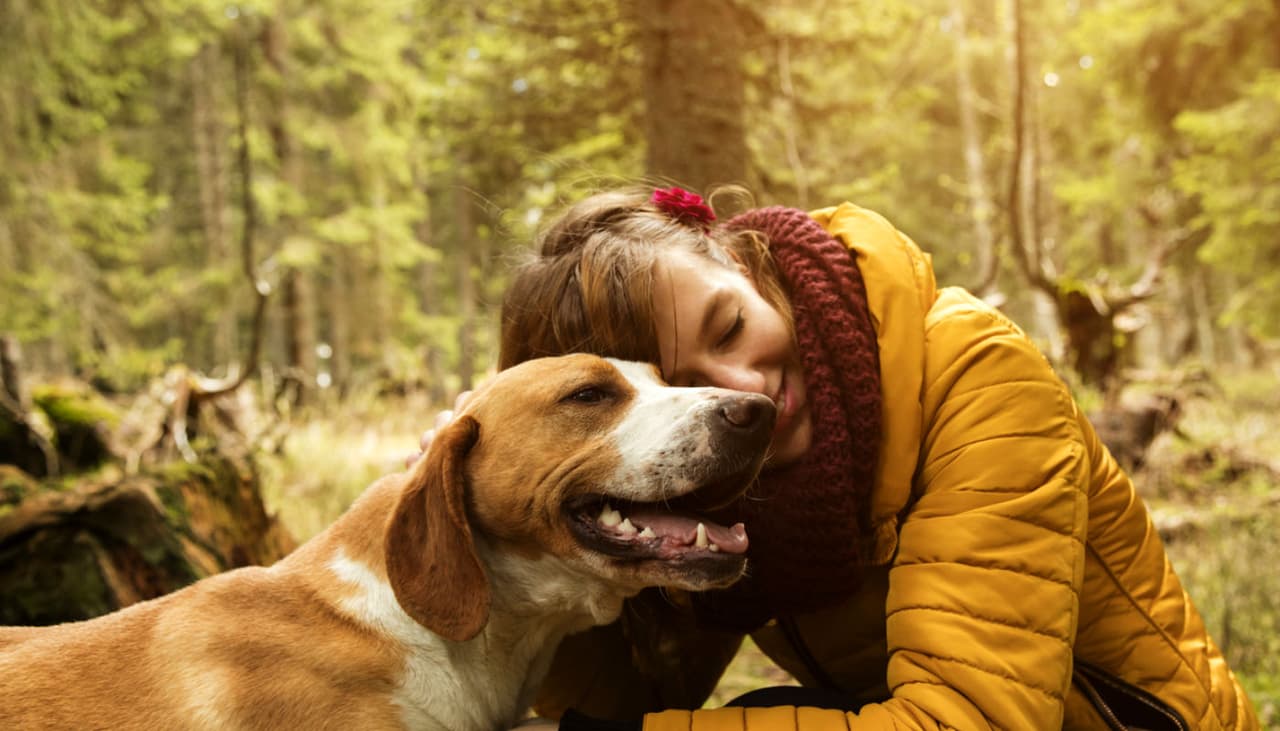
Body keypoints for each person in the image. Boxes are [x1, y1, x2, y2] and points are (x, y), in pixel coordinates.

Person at [418, 186, 1259, 730]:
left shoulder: (974, 368)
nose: (743, 391)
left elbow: (973, 720)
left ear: (745, 265)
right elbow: (607, 701)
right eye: (686, 388)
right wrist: (493, 517)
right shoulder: (708, 483)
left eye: (731, 326)